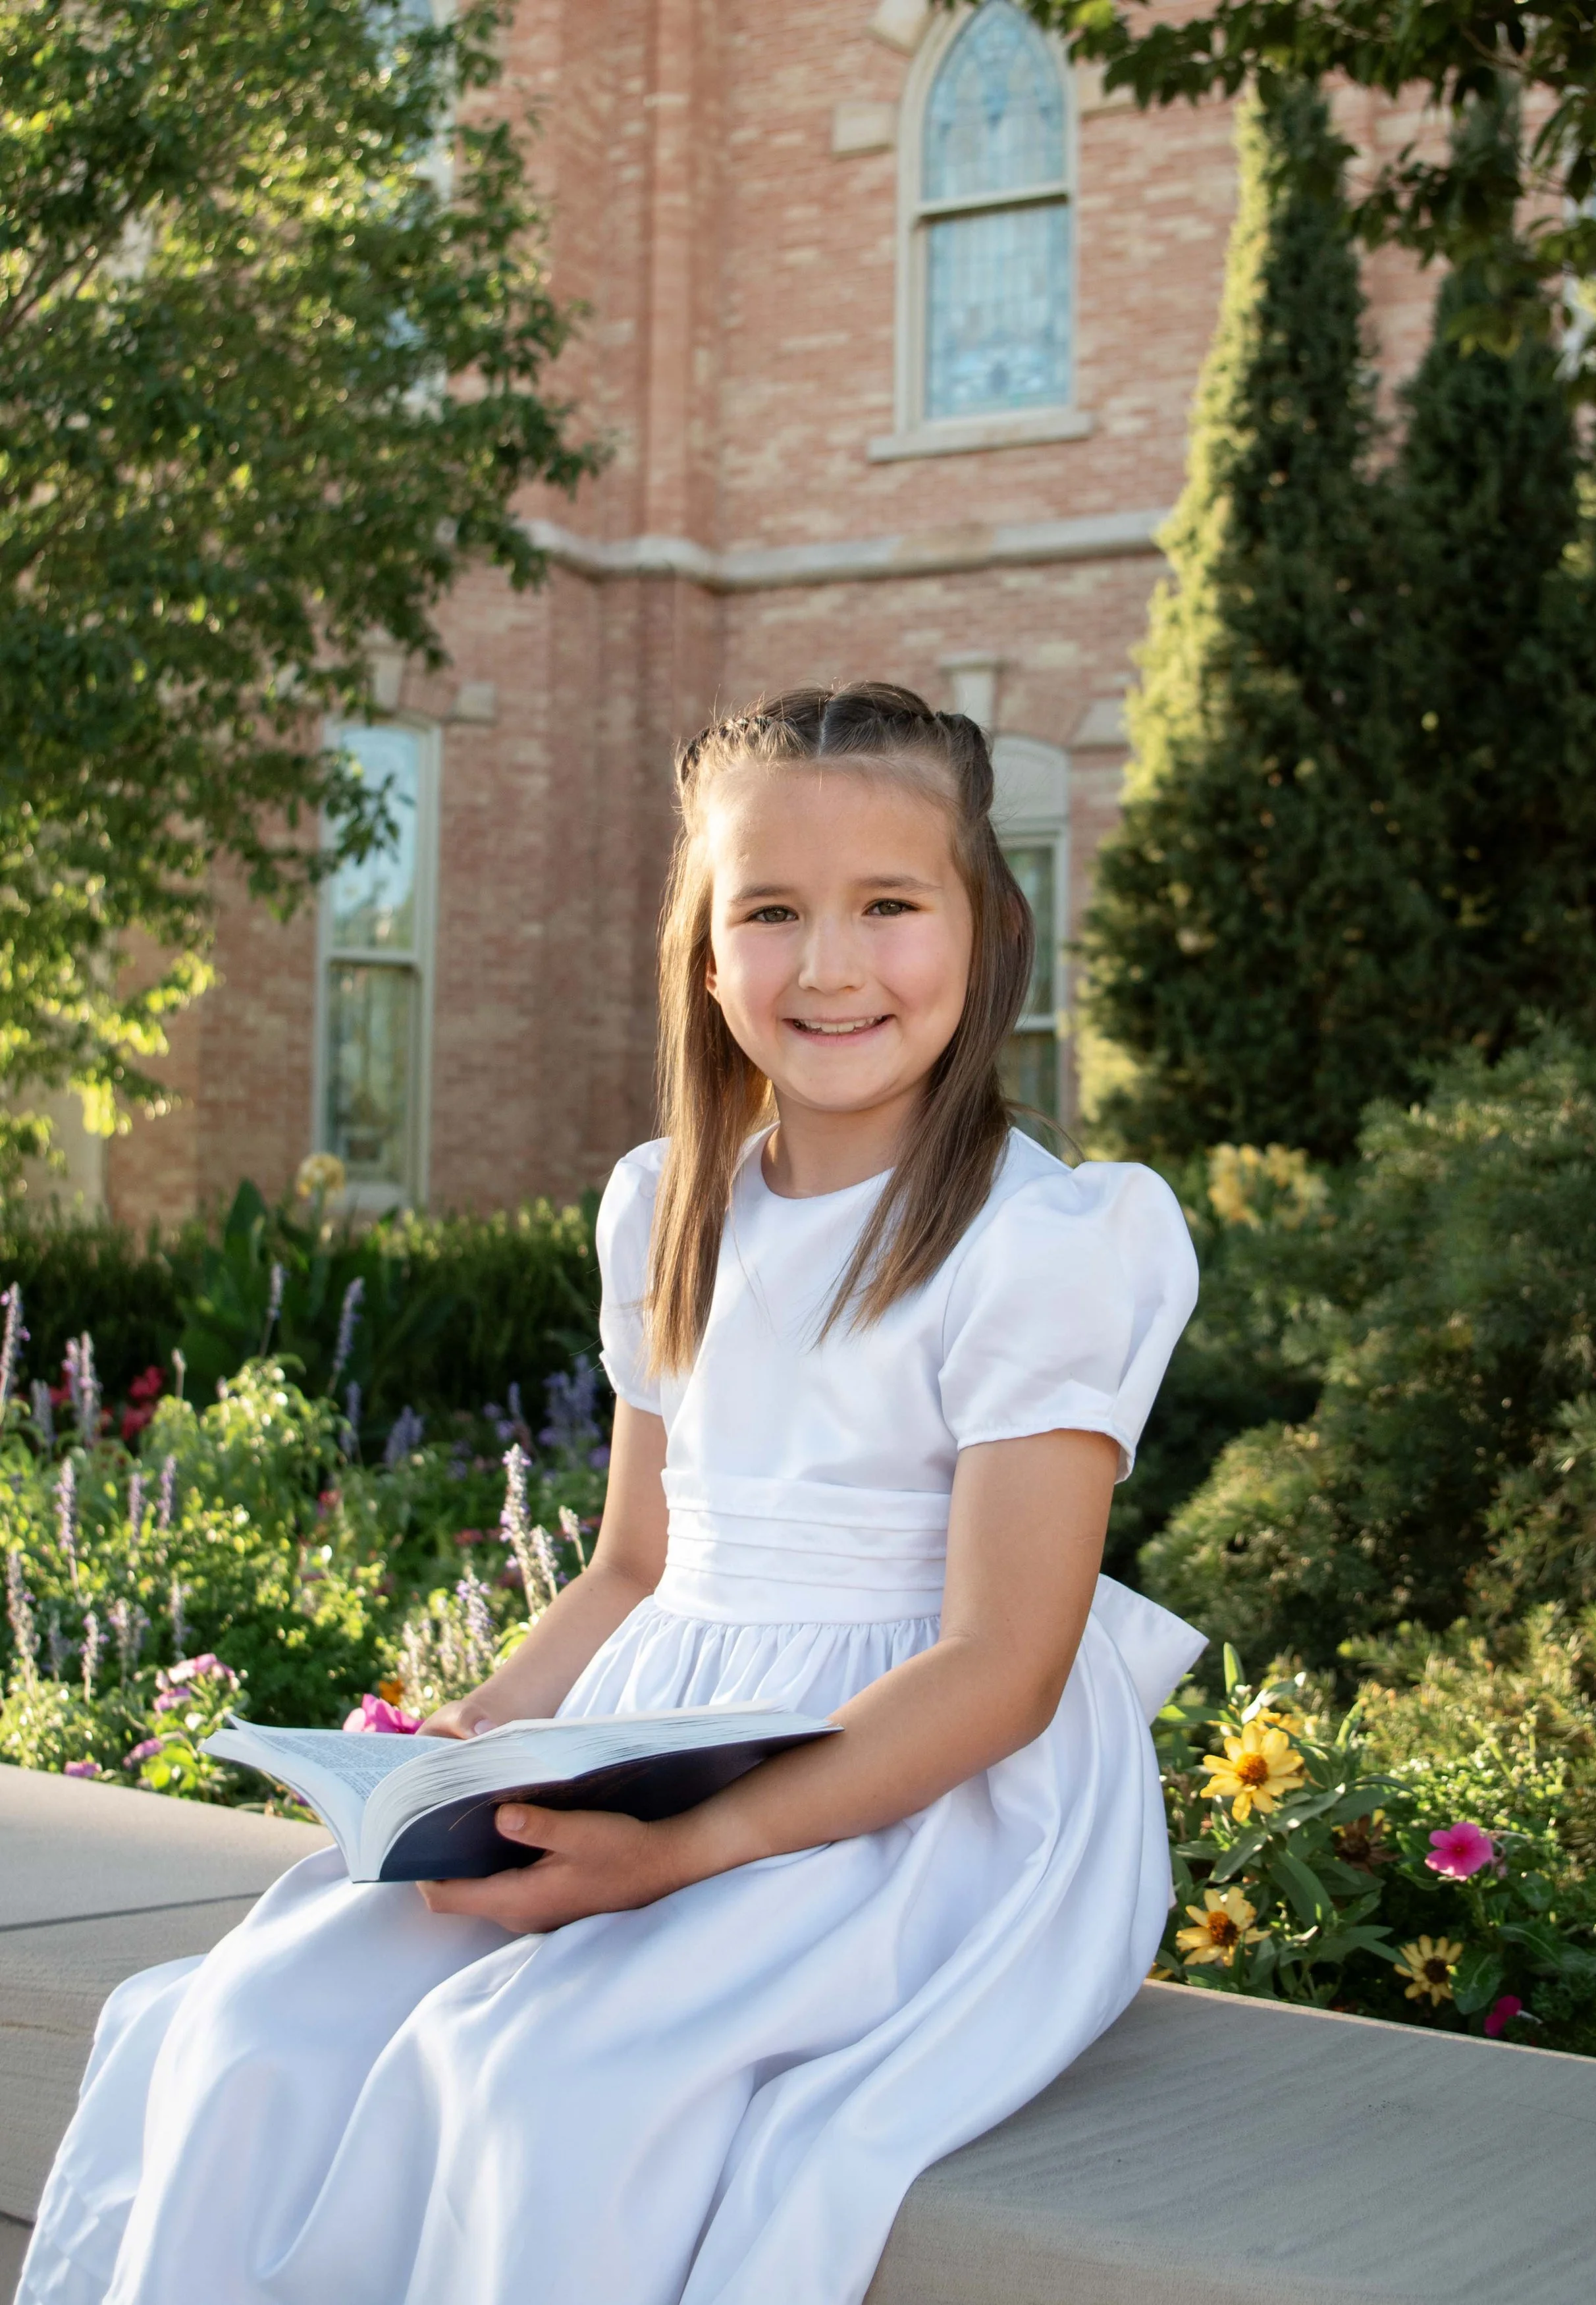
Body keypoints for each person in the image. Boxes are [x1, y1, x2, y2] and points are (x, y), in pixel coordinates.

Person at [18, 682, 1204, 2305]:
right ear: (706, 953)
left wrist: (680, 1853)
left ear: (988, 931)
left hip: (909, 1801)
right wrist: (471, 1744)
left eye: (887, 906)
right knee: (251, 2016)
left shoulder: (1046, 1241)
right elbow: (636, 1566)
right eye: (770, 911)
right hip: (665, 1735)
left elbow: (1002, 1671)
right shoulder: (667, 1209)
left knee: (538, 2088)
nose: (829, 964)